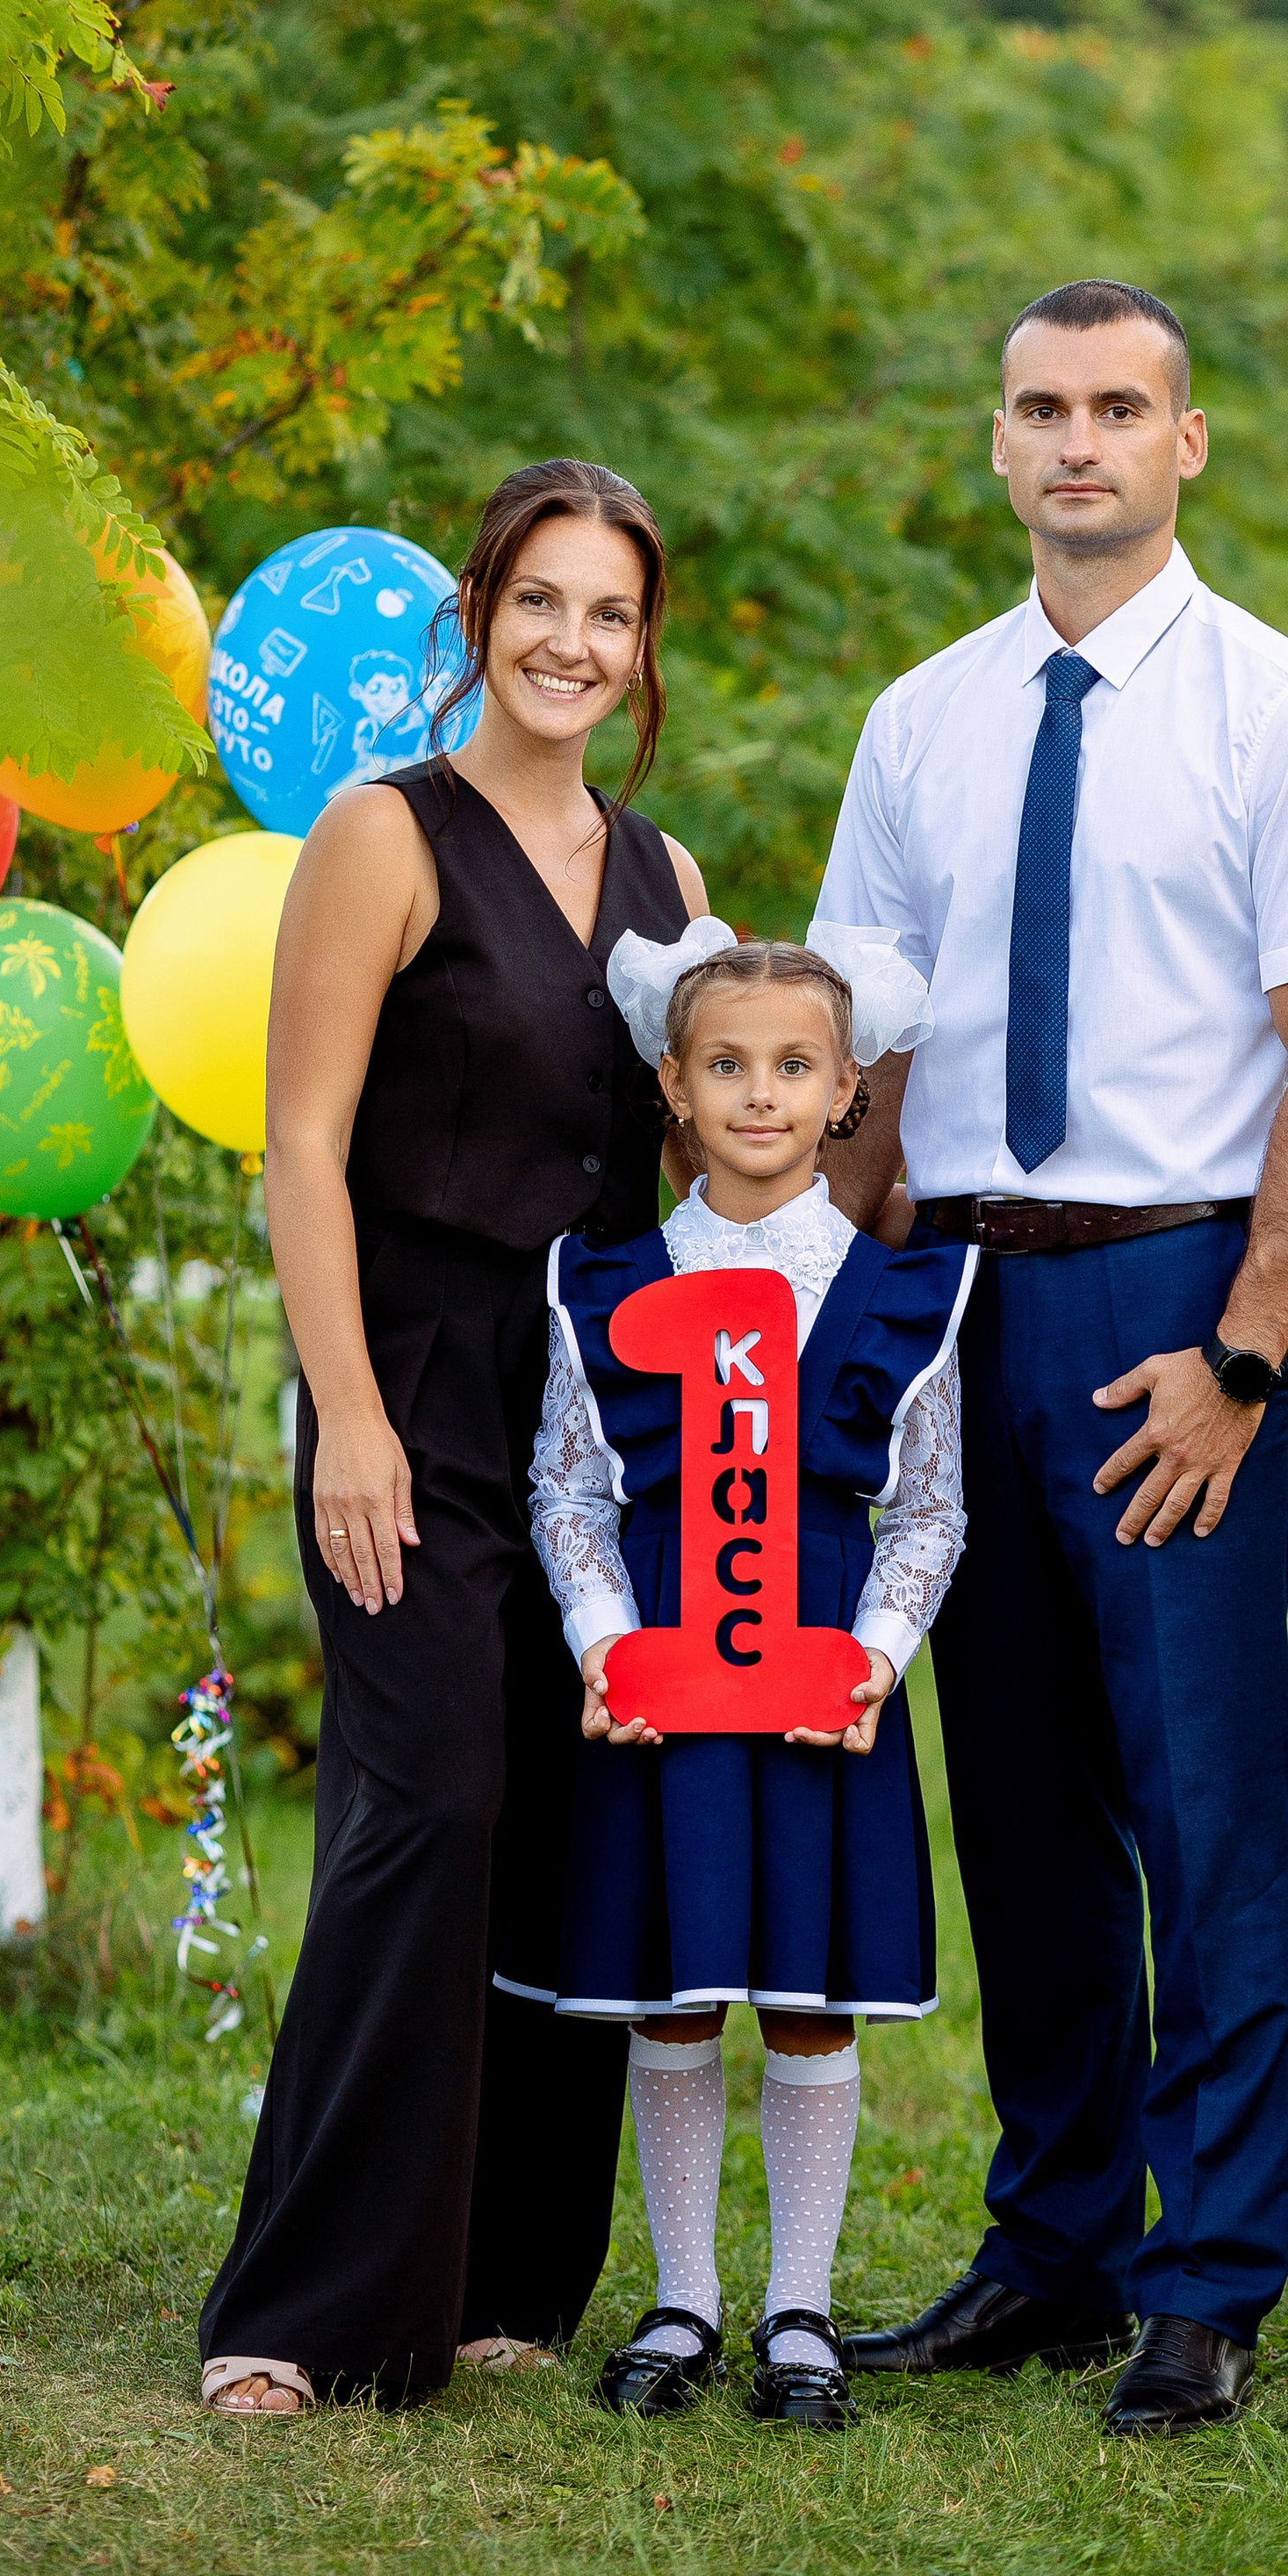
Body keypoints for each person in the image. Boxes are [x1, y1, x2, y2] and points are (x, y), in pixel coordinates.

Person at [815, 280, 1288, 2437]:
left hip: (1169, 1307)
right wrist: (852, 1324)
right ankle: (1052, 2246)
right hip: (957, 1305)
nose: (1077, 443)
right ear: (995, 443)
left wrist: (1238, 1360)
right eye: (1041, 408)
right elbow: (865, 1060)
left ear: (1186, 445)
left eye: (1118, 408)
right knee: (1026, 1819)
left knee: (1201, 1808)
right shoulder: (918, 722)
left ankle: (1206, 2274)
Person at [198, 458, 708, 2416]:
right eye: (542, 603)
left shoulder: (663, 881)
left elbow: (736, 1105)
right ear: (476, 615)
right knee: (428, 1811)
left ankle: (506, 2272)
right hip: (406, 1377)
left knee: (576, 1814)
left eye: (612, 614)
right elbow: (301, 1145)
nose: (574, 643)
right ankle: (306, 2306)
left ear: (641, 647)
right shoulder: (381, 832)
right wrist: (344, 1412)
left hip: (598, 1403)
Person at [519, 931, 974, 2429]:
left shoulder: (901, 1298)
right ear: (674, 1081)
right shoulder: (610, 1282)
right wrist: (605, 1643)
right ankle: (682, 2301)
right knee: (671, 1992)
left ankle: (799, 2313)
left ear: (848, 1089)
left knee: (807, 1997)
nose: (761, 1093)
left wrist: (871, 1660)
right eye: (728, 1064)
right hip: (665, 1685)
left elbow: (929, 1510)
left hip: (814, 1685)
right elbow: (571, 1493)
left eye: (795, 1067)